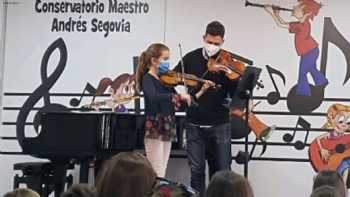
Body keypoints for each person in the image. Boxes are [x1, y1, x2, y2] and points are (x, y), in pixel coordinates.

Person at [174, 21, 239, 196]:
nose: (212, 47)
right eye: (209, 42)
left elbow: (236, 94)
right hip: (194, 123)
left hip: (220, 124)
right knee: (196, 172)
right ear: (204, 38)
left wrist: (232, 78)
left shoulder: (229, 62)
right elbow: (174, 78)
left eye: (216, 44)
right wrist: (183, 93)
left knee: (223, 173)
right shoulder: (190, 58)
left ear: (223, 41)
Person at [135, 43, 192, 178]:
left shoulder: (164, 80)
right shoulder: (147, 78)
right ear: (154, 61)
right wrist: (176, 96)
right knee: (156, 168)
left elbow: (176, 103)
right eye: (165, 59)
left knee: (163, 167)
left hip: (168, 123)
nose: (168, 63)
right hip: (155, 124)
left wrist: (192, 96)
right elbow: (153, 97)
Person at [264, 0, 328, 96]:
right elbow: (284, 23)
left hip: (310, 52)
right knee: (312, 69)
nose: (294, 8)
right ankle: (322, 82)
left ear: (305, 13)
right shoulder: (301, 23)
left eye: (297, 7)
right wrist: (276, 14)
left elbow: (281, 25)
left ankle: (304, 94)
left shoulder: (302, 25)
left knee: (302, 73)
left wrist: (271, 13)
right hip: (310, 51)